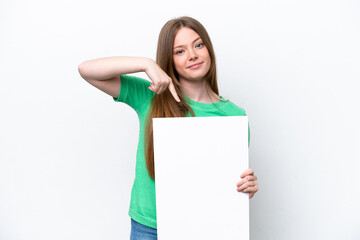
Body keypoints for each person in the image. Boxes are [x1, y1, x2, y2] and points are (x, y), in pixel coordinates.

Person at [78, 16, 259, 240]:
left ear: (209, 49)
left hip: (208, 226)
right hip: (150, 228)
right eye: (179, 51)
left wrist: (246, 188)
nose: (192, 55)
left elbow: (224, 182)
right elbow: (87, 70)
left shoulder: (235, 115)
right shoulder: (151, 96)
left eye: (198, 45)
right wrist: (146, 64)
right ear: (169, 59)